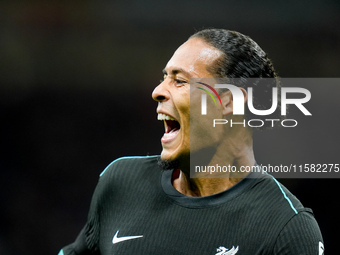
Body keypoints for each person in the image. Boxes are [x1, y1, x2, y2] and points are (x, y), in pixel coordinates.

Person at [58, 29, 323, 255]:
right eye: (164, 78)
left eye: (180, 80)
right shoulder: (120, 184)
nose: (157, 91)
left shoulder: (286, 228)